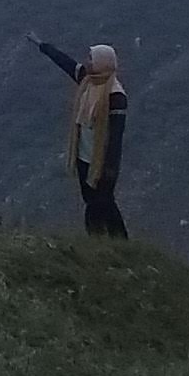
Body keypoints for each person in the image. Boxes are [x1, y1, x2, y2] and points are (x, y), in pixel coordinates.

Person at [34, 38, 132, 237]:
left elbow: (115, 136)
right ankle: (106, 240)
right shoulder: (89, 81)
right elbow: (67, 64)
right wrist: (44, 47)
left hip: (102, 161)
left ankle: (112, 238)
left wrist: (110, 167)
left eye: (92, 58)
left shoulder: (115, 96)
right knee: (92, 198)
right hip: (84, 156)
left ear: (103, 62)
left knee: (102, 200)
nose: (88, 62)